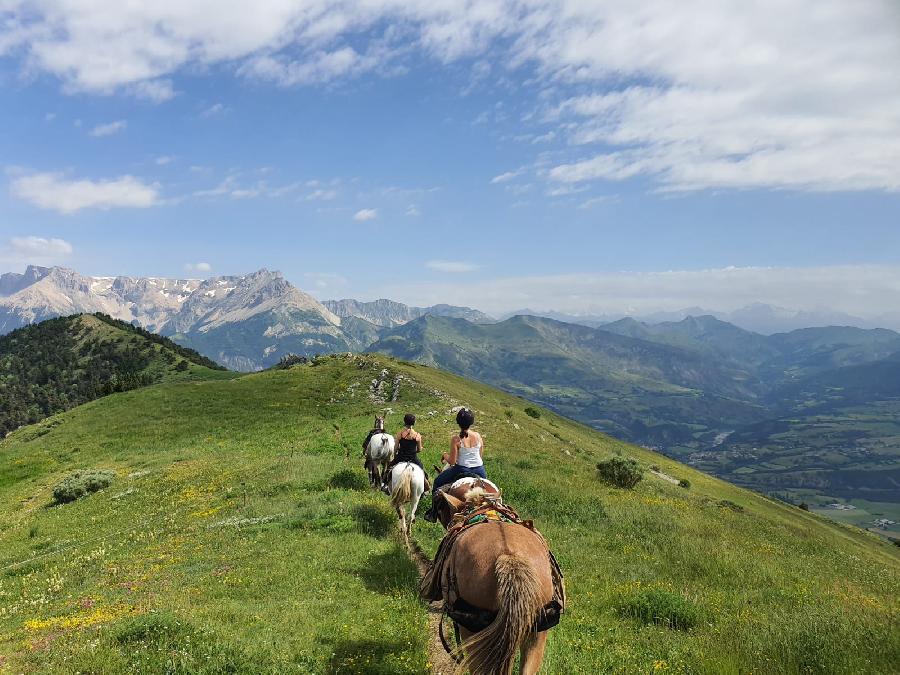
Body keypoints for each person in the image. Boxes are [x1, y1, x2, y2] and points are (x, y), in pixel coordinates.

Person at [423, 408, 485, 521]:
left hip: (461, 469)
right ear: (472, 422)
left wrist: (444, 455)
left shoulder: (456, 439)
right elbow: (481, 455)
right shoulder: (478, 436)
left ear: (458, 423)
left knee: (437, 482)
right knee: (486, 488)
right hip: (479, 470)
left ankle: (433, 513)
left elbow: (452, 461)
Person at [386, 413, 430, 490]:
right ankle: (426, 487)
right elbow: (419, 450)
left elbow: (395, 448)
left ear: (404, 422)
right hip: (413, 458)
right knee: (423, 471)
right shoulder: (417, 435)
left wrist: (397, 453)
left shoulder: (400, 434)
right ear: (414, 422)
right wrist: (413, 451)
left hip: (401, 457)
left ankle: (385, 484)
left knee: (389, 468)